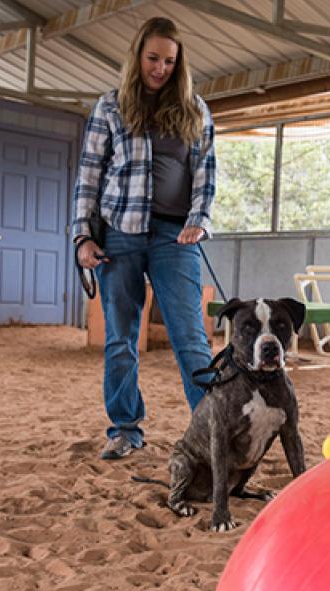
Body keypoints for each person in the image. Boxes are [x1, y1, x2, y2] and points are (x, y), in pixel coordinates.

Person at [72, 17, 216, 460]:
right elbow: (89, 176)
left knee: (190, 336)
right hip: (120, 235)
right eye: (153, 58)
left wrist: (199, 219)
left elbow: (205, 175)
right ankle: (125, 428)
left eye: (170, 61)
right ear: (138, 56)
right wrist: (82, 237)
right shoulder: (109, 107)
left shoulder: (195, 109)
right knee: (121, 338)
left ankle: (211, 434)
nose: (160, 69)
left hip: (177, 238)